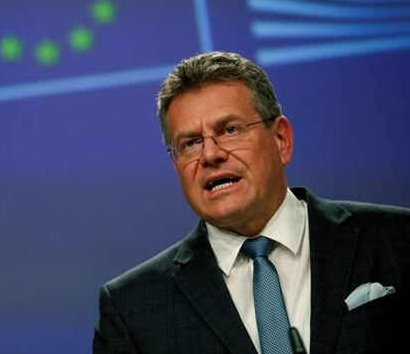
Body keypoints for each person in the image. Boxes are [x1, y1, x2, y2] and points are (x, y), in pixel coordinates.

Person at [92, 51, 410, 353]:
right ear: (177, 166)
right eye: (190, 143)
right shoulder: (133, 308)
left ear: (281, 140)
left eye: (230, 130)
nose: (211, 154)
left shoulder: (397, 240)